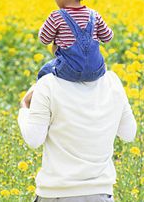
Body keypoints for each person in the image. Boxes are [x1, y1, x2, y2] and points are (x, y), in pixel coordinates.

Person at [18, 70, 137, 201]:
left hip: (56, 194)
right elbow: (129, 133)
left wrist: (24, 108)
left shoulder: (47, 84)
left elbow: (34, 139)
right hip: (100, 194)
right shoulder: (112, 80)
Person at [37, 0, 114, 83]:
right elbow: (108, 37)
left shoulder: (56, 16)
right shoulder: (94, 15)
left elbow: (44, 39)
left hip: (69, 71)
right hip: (97, 70)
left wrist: (44, 30)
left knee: (44, 71)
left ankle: (35, 100)